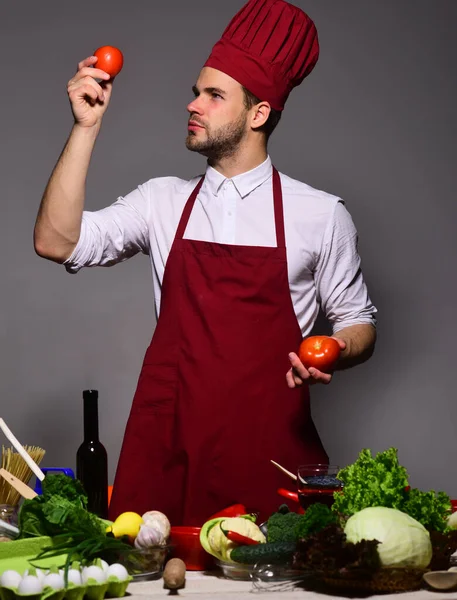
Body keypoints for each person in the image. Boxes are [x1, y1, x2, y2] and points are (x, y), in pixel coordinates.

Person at [34, 0, 377, 525]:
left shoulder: (321, 214)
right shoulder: (160, 201)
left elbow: (358, 323)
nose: (193, 104)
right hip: (168, 450)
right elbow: (57, 242)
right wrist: (85, 127)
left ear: (258, 113)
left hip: (271, 453)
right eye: (196, 91)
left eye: (214, 95)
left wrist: (335, 349)